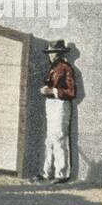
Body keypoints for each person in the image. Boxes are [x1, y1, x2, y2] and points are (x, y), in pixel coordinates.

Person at [38, 39, 77, 184]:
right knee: (49, 139)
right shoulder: (52, 68)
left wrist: (52, 91)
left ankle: (61, 174)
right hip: (51, 104)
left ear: (60, 53)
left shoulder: (67, 68)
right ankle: (46, 172)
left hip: (61, 104)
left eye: (53, 52)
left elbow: (71, 92)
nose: (50, 55)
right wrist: (46, 90)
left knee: (60, 137)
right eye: (49, 53)